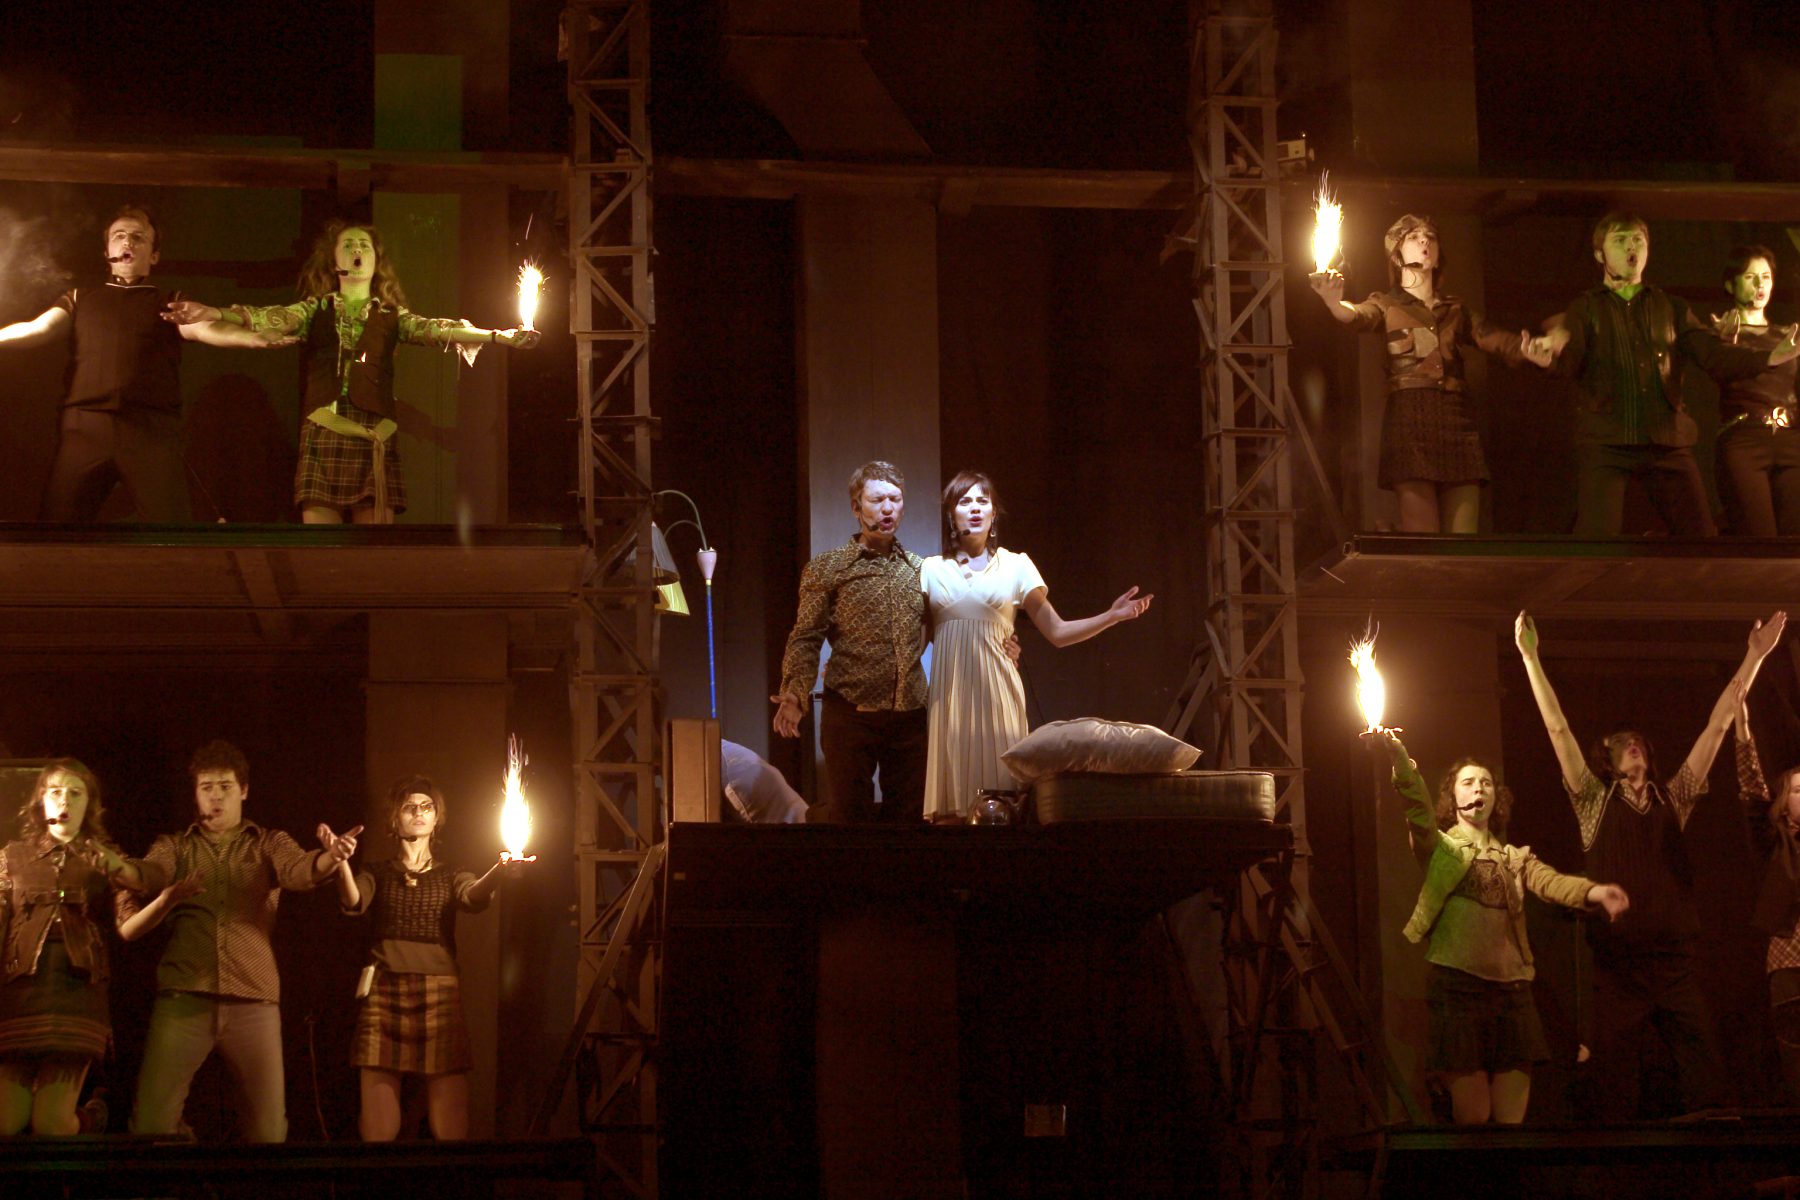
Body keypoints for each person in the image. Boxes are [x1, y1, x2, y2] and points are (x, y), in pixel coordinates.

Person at [1513, 608, 1786, 1119]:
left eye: (1637, 742)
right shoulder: (1593, 801)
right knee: (1612, 1091)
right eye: (1622, 744)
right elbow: (1557, 728)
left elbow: (1718, 725)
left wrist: (1754, 656)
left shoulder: (1671, 799)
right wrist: (1530, 658)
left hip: (1673, 962)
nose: (1632, 745)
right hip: (1618, 966)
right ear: (1609, 758)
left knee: (1706, 1081)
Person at [165, 220, 539, 524]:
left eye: (364, 245)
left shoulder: (391, 317)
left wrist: (498, 336)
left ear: (376, 261)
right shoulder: (315, 310)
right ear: (334, 261)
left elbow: (437, 330)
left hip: (374, 435)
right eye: (349, 244)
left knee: (373, 552)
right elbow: (270, 316)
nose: (357, 249)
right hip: (324, 431)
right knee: (320, 549)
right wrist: (215, 313)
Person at [1365, 728, 1627, 1123]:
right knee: (1474, 1118)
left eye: (1486, 783)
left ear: (1495, 798)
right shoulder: (1442, 848)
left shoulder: (1512, 857)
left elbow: (1550, 882)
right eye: (1468, 782)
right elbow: (1417, 808)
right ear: (1453, 797)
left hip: (1512, 992)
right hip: (1458, 989)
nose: (1478, 788)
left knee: (1510, 1123)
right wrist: (1399, 757)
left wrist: (1595, 892)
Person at [121, 739, 360, 1143]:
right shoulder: (176, 845)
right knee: (152, 1124)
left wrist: (331, 857)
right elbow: (149, 873)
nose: (216, 796)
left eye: (225, 787)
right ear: (195, 793)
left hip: (253, 998)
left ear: (244, 790)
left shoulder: (268, 842)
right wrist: (117, 867)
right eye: (206, 787)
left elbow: (299, 870)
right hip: (185, 995)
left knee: (268, 1130)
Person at [0, 204, 287, 521]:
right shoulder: (80, 297)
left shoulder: (169, 301)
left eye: (138, 237)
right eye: (119, 236)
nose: (128, 242)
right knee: (58, 524)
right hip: (86, 426)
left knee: (171, 528)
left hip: (150, 429)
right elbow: (38, 328)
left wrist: (251, 338)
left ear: (154, 256)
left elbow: (205, 328)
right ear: (107, 252)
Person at [1534, 212, 1800, 536]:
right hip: (1607, 442)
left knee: (1700, 538)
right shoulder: (1586, 308)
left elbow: (1712, 354)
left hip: (1666, 442)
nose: (1631, 246)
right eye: (1620, 240)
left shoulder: (1671, 307)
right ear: (1599, 254)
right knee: (1596, 539)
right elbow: (1570, 360)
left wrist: (1769, 357)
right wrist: (1548, 359)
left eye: (1638, 240)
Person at [920, 470, 1152, 821]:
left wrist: (1111, 616)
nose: (975, 508)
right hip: (950, 704)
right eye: (964, 501)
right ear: (951, 514)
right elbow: (915, 641)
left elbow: (1057, 631)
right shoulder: (930, 570)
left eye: (983, 500)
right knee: (950, 814)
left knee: (1005, 806)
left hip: (998, 699)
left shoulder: (1016, 565)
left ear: (994, 514)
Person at [1310, 213, 1552, 533]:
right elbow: (1357, 315)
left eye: (1430, 237)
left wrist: (1529, 350)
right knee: (1423, 538)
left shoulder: (1455, 309)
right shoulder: (1385, 304)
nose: (1424, 240)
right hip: (1409, 420)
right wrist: (1333, 303)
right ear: (1396, 254)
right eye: (1413, 236)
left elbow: (1495, 339)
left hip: (1456, 417)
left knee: (1464, 538)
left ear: (1437, 256)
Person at [330, 775, 524, 1141]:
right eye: (409, 807)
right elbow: (354, 901)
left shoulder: (452, 873)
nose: (419, 812)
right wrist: (340, 862)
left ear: (437, 818)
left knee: (450, 1115)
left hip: (439, 992)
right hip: (384, 988)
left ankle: (451, 1171)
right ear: (394, 819)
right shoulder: (377, 872)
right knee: (378, 1114)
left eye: (427, 807)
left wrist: (501, 868)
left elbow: (473, 897)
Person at [0, 761, 163, 1135]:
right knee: (5, 1125)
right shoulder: (11, 856)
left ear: (89, 804)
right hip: (19, 999)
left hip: (77, 996)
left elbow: (147, 882)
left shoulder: (105, 858)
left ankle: (94, 1116)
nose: (65, 800)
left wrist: (136, 881)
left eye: (76, 793)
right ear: (41, 801)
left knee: (52, 1123)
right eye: (56, 791)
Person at [771, 461, 932, 824]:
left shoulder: (921, 570)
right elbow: (806, 636)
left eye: (895, 499)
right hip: (850, 713)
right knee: (849, 820)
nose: (887, 508)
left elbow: (951, 620)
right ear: (856, 507)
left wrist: (1004, 640)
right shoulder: (828, 568)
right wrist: (795, 692)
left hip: (910, 717)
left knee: (909, 822)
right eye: (877, 500)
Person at [1731, 685, 1800, 1102]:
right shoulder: (1775, 842)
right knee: (1795, 1052)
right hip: (1792, 960)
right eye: (1798, 790)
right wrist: (1743, 729)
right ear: (1784, 801)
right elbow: (1754, 795)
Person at [1710, 245, 1800, 535]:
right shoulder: (1720, 334)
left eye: (1766, 276)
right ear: (1730, 284)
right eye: (1750, 277)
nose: (1760, 284)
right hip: (1745, 441)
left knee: (1794, 539)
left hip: (1790, 439)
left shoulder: (1788, 335)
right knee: (1758, 537)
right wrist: (1725, 342)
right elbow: (1718, 368)